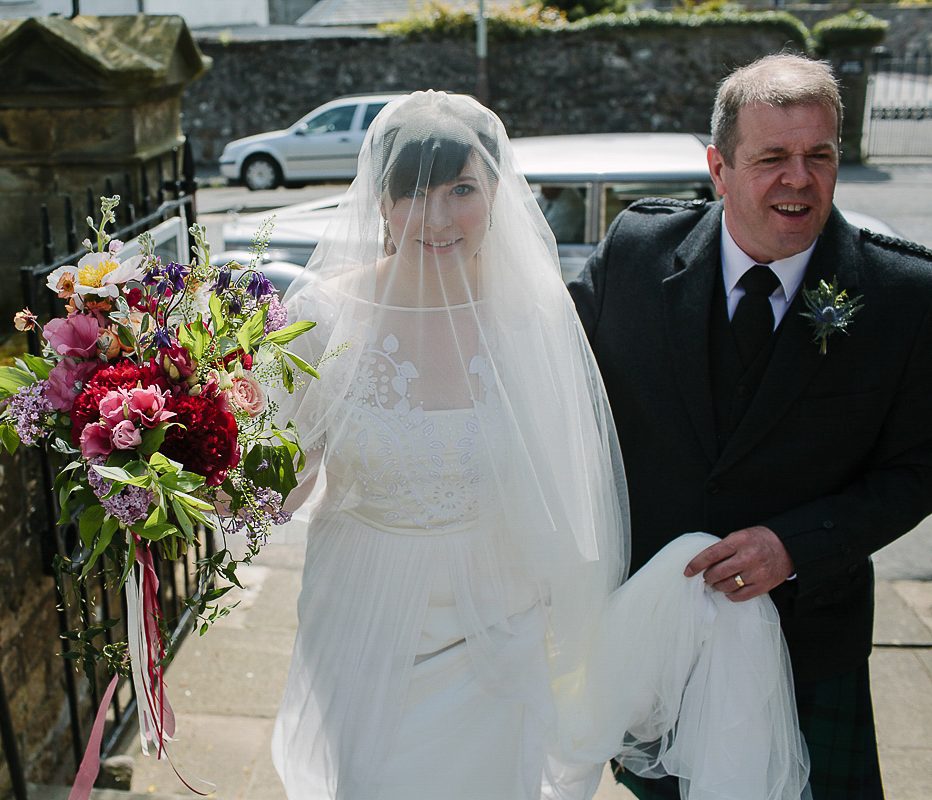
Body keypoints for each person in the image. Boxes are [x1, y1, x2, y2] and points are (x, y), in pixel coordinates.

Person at [271, 90, 809, 800]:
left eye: (462, 188)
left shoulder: (533, 314)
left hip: (497, 631)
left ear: (497, 192)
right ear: (380, 202)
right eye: (414, 193)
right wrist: (193, 455)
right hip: (366, 621)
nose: (438, 216)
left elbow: (568, 480)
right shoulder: (319, 316)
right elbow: (284, 490)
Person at [569, 54, 932, 800]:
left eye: (819, 156)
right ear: (719, 168)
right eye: (772, 158)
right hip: (657, 639)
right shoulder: (638, 252)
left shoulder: (904, 295)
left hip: (807, 644)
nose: (799, 179)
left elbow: (919, 467)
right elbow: (538, 368)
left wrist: (795, 545)